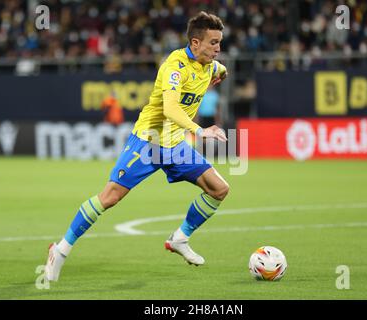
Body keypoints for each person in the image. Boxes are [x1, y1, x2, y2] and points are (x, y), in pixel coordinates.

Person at [44, 11, 229, 281]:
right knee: (109, 198)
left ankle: (180, 238)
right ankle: (59, 250)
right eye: (213, 43)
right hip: (149, 141)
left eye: (219, 42)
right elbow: (170, 108)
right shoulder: (174, 67)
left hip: (175, 145)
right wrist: (201, 130)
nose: (218, 49)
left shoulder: (211, 66)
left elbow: (221, 69)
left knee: (219, 189)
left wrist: (222, 72)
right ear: (195, 43)